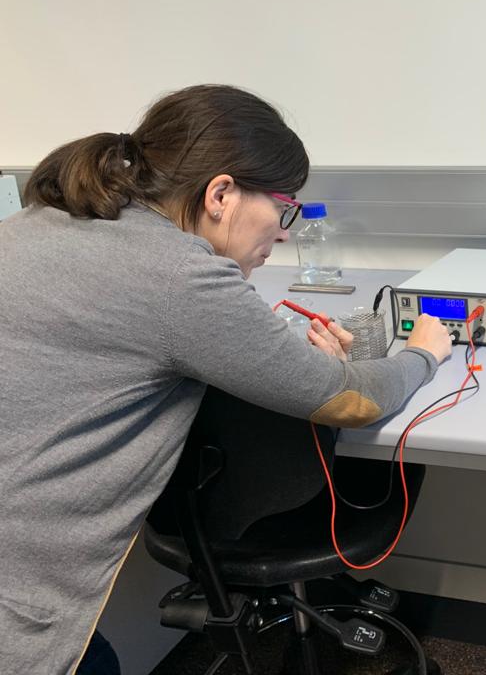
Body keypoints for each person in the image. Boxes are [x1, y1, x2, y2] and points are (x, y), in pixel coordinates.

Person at [0, 84, 453, 674]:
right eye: (284, 207)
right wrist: (422, 353)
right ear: (220, 194)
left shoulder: (32, 224)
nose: (284, 231)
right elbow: (355, 399)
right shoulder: (177, 275)